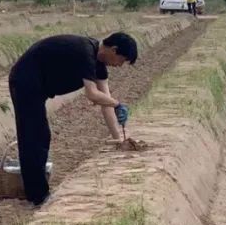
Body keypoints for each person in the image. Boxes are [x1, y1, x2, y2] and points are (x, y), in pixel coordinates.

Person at [7, 32, 138, 206]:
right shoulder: (85, 52)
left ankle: (36, 191)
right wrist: (117, 104)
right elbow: (93, 95)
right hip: (25, 80)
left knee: (38, 134)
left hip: (38, 85)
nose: (119, 66)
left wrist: (119, 139)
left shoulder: (99, 64)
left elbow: (104, 101)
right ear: (114, 50)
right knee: (35, 135)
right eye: (121, 61)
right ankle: (38, 196)